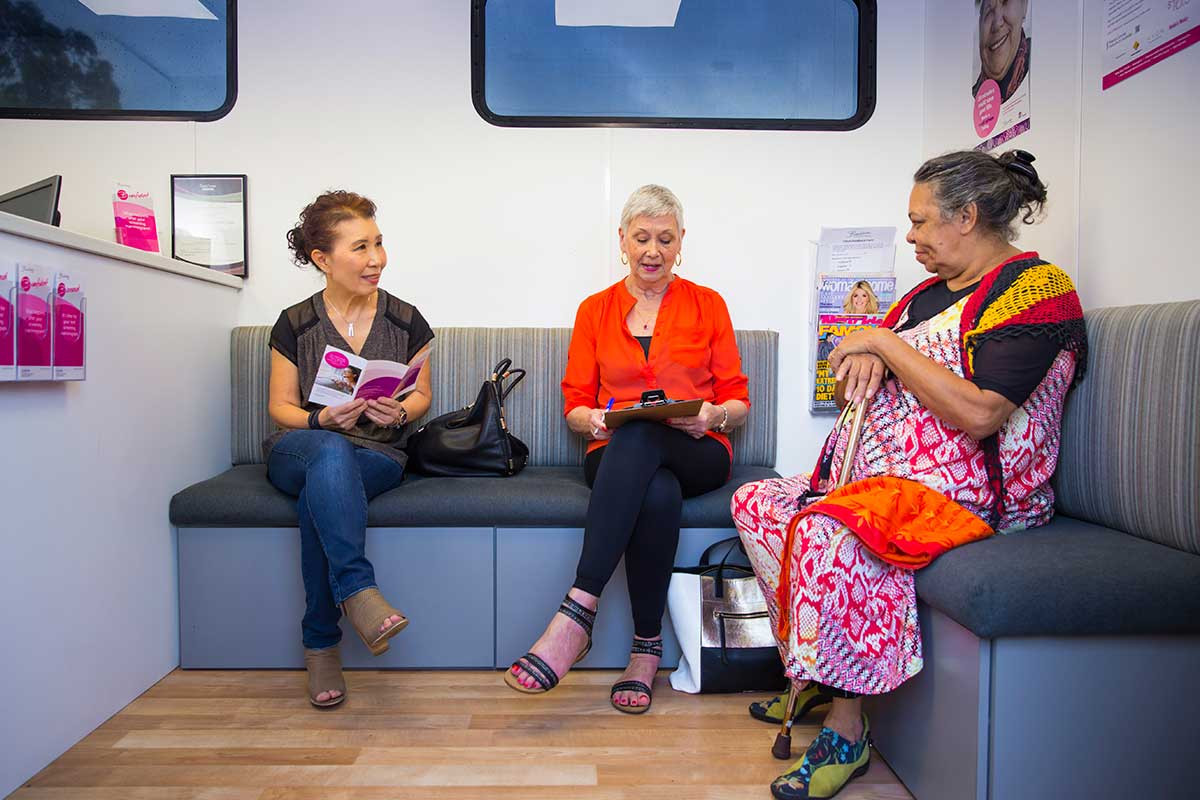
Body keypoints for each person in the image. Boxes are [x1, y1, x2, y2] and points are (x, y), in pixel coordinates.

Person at [735, 150, 1087, 799]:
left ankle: (848, 732)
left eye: (921, 221)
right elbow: (853, 371)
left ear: (967, 216)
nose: (912, 236)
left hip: (972, 493)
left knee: (828, 530)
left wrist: (885, 344)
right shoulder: (926, 296)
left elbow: (980, 414)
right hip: (881, 478)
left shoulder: (1037, 292)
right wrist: (859, 355)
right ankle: (815, 669)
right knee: (758, 502)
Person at [503, 184, 751, 713]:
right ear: (622, 240)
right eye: (642, 238)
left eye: (665, 238)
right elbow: (574, 406)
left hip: (699, 450)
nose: (653, 250)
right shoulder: (595, 310)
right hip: (615, 453)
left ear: (682, 242)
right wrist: (593, 417)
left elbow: (737, 401)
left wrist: (712, 415)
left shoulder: (709, 305)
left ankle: (577, 612)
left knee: (644, 437)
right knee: (653, 486)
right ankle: (645, 649)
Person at [265, 190, 434, 708]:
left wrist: (401, 412)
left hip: (378, 455)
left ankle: (321, 644)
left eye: (379, 244)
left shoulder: (407, 320)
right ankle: (359, 591)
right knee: (327, 455)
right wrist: (322, 418)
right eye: (360, 248)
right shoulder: (295, 323)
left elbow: (422, 394)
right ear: (323, 259)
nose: (377, 259)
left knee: (330, 482)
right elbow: (280, 407)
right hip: (301, 448)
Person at [973, 0, 1030, 102]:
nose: (996, 24)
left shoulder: (1036, 68)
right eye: (988, 10)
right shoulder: (976, 99)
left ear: (1024, 5)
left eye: (1005, 1)